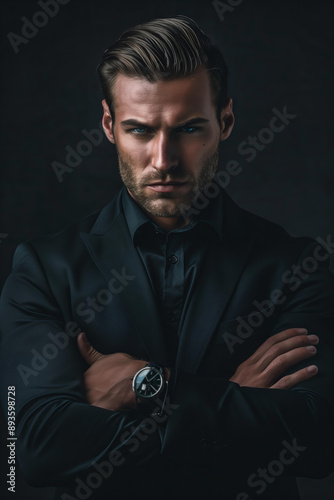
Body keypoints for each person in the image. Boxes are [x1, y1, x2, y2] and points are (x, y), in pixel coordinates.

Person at [1, 16, 333, 500]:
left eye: (189, 128)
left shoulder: (299, 267)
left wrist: (149, 384)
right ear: (109, 126)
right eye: (140, 130)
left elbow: (319, 438)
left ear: (226, 121)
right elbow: (28, 449)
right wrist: (233, 401)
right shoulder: (43, 270)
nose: (163, 159)